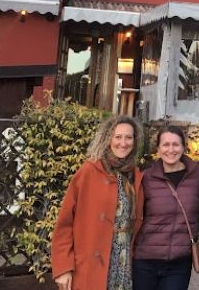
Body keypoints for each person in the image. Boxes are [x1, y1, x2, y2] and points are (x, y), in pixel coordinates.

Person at [52, 115, 145, 290]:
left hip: (123, 262)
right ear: (107, 138)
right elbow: (65, 223)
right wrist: (63, 268)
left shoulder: (135, 175)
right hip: (92, 262)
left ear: (135, 140)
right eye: (118, 137)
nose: (123, 143)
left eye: (128, 137)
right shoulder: (89, 171)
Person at [133, 126, 199, 290]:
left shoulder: (198, 175)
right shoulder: (146, 178)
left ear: (184, 147)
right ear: (158, 149)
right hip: (145, 261)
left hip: (179, 263)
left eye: (176, 144)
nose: (171, 150)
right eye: (166, 145)